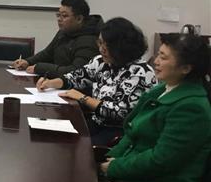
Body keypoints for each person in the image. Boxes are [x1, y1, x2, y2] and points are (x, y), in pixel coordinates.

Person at [99, 34, 211, 182]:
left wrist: (114, 167)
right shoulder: (163, 89)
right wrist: (112, 158)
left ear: (186, 68)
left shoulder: (192, 108)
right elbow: (132, 133)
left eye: (163, 57)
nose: (156, 61)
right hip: (134, 171)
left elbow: (161, 161)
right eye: (158, 54)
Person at [37, 17, 156, 145]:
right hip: (97, 123)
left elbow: (119, 113)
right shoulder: (101, 61)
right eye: (100, 43)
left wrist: (83, 98)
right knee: (53, 134)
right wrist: (52, 83)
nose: (101, 49)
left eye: (107, 45)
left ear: (123, 47)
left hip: (120, 132)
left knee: (73, 145)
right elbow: (77, 77)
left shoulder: (140, 72)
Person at [11, 0, 103, 76]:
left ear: (79, 19)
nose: (59, 19)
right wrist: (28, 62)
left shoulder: (90, 40)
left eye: (64, 16)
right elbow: (47, 53)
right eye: (58, 15)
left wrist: (39, 68)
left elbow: (76, 72)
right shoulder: (64, 32)